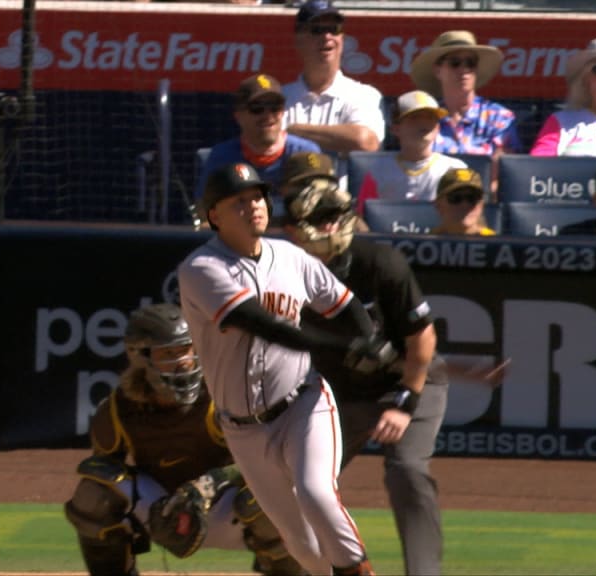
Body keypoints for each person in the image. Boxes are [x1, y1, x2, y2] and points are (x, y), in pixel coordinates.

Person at [178, 161, 392, 576]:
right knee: (301, 544)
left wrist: (367, 338)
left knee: (316, 495)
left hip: (303, 405)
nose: (254, 205)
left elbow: (345, 304)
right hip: (243, 427)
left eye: (257, 196)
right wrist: (345, 346)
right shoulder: (201, 269)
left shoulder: (291, 257)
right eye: (239, 201)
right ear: (214, 216)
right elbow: (262, 324)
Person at [278, 151, 449, 576]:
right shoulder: (281, 271)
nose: (330, 225)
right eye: (320, 218)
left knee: (407, 471)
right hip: (338, 396)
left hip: (408, 381)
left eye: (335, 214)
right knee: (297, 484)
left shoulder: (379, 264)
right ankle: (293, 566)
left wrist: (405, 401)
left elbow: (422, 338)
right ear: (293, 229)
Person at [64, 302, 304, 576]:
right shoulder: (118, 409)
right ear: (140, 356)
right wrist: (166, 505)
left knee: (272, 493)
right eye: (168, 353)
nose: (182, 362)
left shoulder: (225, 394)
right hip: (163, 511)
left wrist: (208, 484)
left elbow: (269, 458)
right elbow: (105, 475)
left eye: (186, 351)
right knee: (93, 492)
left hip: (225, 508)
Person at [282, 0, 386, 190]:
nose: (327, 36)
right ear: (298, 40)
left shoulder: (363, 94)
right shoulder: (279, 98)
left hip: (341, 208)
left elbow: (365, 142)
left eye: (333, 28)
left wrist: (294, 130)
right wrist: (337, 139)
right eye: (317, 30)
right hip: (287, 204)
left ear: (342, 39)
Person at [195, 73, 320, 202]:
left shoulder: (306, 153)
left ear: (282, 112)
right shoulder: (222, 157)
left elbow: (323, 208)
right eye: (257, 108)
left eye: (275, 107)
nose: (268, 115)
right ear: (239, 116)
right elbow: (204, 211)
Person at [409, 30, 521, 160]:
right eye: (455, 63)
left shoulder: (499, 118)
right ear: (438, 71)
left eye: (470, 63)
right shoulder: (426, 119)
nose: (464, 70)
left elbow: (504, 171)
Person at [354, 90, 467, 216]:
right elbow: (361, 215)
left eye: (430, 117)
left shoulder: (454, 169)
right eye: (415, 117)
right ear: (396, 129)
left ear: (438, 128)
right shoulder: (377, 169)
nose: (424, 123)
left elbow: (464, 218)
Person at [432, 167, 497, 236]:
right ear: (438, 205)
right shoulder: (425, 242)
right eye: (456, 198)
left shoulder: (495, 244)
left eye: (472, 198)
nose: (465, 205)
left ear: (481, 205)